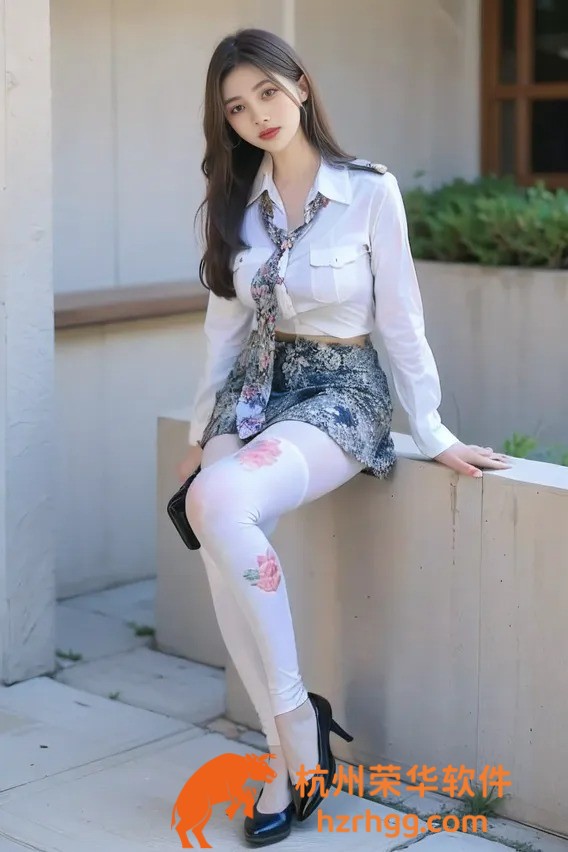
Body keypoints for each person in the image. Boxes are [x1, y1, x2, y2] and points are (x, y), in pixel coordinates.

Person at [176, 28, 511, 846]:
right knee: (214, 523)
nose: (257, 114)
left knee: (217, 502)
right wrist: (197, 429)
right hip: (253, 389)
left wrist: (430, 429)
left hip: (339, 389)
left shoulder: (369, 191)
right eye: (236, 107)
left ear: (299, 83)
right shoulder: (235, 204)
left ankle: (295, 729)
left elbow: (401, 319)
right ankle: (290, 745)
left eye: (266, 91)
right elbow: (223, 331)